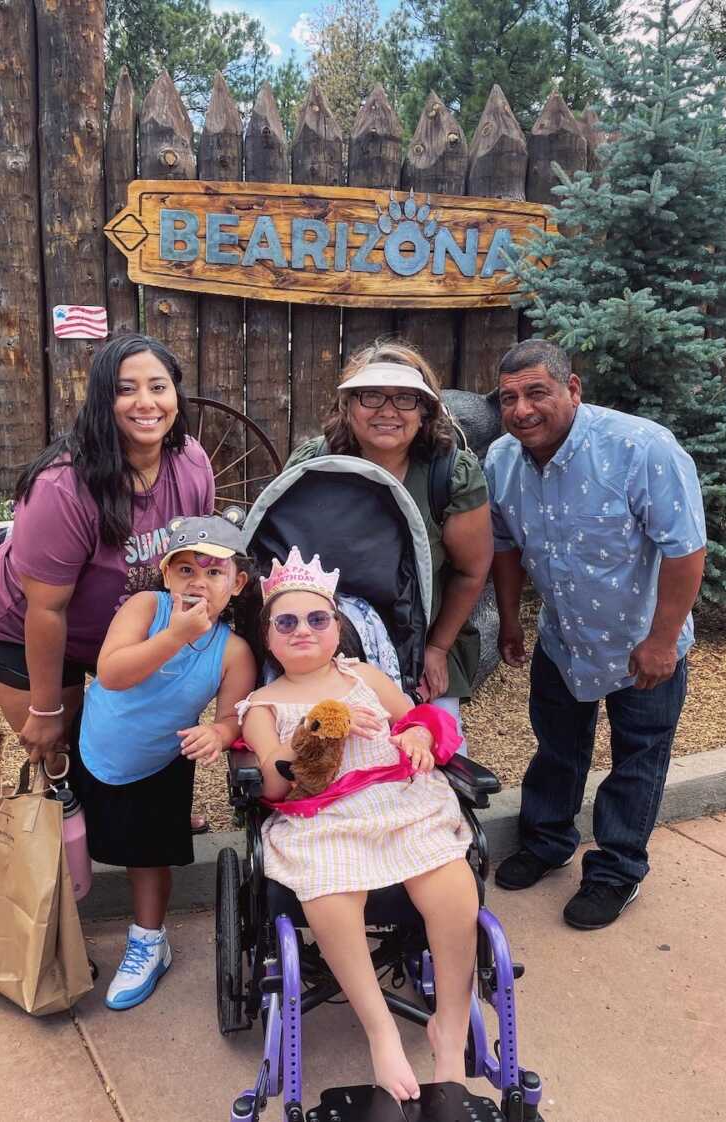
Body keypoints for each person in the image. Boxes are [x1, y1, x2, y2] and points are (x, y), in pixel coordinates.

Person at [239, 546, 478, 1102]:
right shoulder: (262, 705)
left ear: (336, 628)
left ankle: (449, 1025)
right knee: (328, 891)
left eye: (318, 619)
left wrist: (418, 734)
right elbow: (275, 781)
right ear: (269, 637)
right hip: (322, 816)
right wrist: (318, 735)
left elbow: (419, 717)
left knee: (453, 889)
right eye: (287, 622)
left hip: (398, 802)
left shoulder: (363, 674)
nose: (304, 630)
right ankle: (381, 1029)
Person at [484, 340, 706, 930]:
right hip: (562, 640)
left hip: (642, 645)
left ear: (572, 389)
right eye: (510, 398)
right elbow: (504, 545)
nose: (523, 409)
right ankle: (548, 840)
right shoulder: (502, 460)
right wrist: (511, 619)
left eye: (537, 392)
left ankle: (616, 870)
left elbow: (685, 551)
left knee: (638, 757)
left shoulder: (642, 449)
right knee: (556, 747)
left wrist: (661, 641)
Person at [0, 334, 215, 832]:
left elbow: (193, 560)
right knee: (59, 742)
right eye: (126, 390)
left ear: (176, 396)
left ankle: (145, 825)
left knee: (131, 725)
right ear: (103, 401)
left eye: (158, 387)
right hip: (23, 626)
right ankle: (69, 855)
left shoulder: (190, 461)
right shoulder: (63, 487)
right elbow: (47, 610)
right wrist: (44, 707)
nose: (146, 403)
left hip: (116, 624)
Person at [72, 515, 256, 1009]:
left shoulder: (232, 651)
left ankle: (149, 940)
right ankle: (56, 934)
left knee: (147, 855)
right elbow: (111, 673)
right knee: (70, 841)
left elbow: (233, 715)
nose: (199, 582)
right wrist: (173, 635)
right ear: (167, 574)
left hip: (160, 762)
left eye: (214, 572)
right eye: (187, 570)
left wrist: (217, 733)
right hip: (95, 745)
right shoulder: (145, 607)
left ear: (236, 583)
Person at [287, 341, 494, 751]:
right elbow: (285, 563)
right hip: (325, 645)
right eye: (371, 396)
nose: (387, 410)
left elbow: (472, 570)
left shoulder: (448, 473)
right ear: (348, 405)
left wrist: (438, 647)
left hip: (425, 644)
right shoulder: (315, 465)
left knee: (434, 759)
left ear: (425, 410)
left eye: (405, 398)